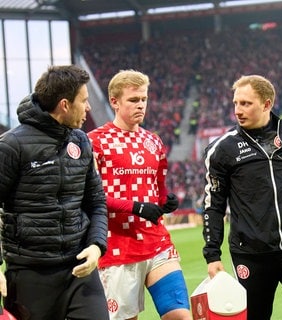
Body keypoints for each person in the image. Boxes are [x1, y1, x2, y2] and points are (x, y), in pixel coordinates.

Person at [202, 74, 282, 320]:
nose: (238, 110)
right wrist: (212, 255)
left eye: (246, 103)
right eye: (235, 103)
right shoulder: (222, 150)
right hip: (251, 254)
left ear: (267, 104)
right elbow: (213, 205)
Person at [0, 65, 109, 320]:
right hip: (30, 274)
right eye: (84, 100)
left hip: (79, 268)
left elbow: (96, 202)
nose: (89, 107)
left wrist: (96, 245)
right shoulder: (11, 146)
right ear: (64, 105)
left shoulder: (81, 141)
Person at [88, 69, 191, 320]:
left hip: (157, 243)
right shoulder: (95, 142)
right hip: (117, 248)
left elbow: (159, 188)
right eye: (134, 100)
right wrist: (135, 207)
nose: (141, 105)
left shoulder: (153, 141)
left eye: (144, 99)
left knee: (181, 316)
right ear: (114, 101)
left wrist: (167, 200)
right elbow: (91, 195)